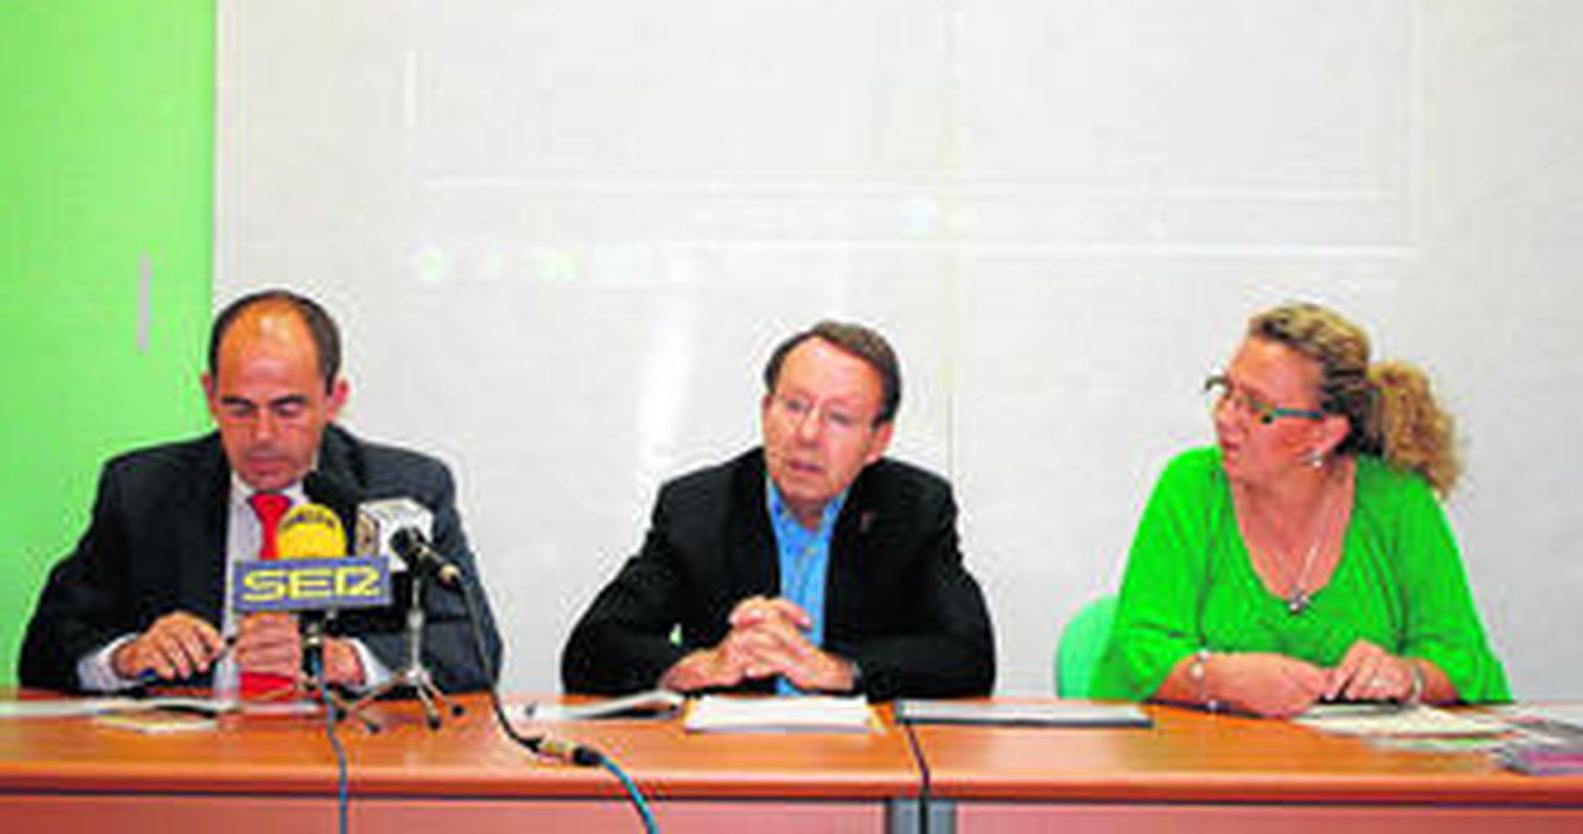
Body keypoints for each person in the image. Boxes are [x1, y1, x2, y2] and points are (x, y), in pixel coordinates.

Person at [19, 289, 502, 696]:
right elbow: (46, 648)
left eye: (288, 409)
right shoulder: (143, 490)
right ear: (209, 396)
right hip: (194, 764)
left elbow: (473, 648)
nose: (262, 435)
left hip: (346, 762)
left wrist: (342, 660)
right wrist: (127, 655)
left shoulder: (400, 490)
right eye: (239, 408)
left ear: (334, 400)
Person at [1091, 302, 1509, 717]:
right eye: (1225, 391)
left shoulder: (1397, 499)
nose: (1225, 418)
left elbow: (1463, 660)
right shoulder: (1192, 486)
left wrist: (1408, 676)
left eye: (1257, 408)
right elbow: (1136, 650)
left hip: (1362, 776)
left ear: (1324, 434)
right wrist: (1221, 678)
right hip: (1212, 772)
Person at [562, 321, 995, 700]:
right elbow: (591, 649)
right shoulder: (699, 508)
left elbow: (969, 656)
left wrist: (839, 669)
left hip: (864, 764)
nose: (807, 434)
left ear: (878, 441)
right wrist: (706, 664)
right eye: (794, 406)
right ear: (766, 410)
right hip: (731, 765)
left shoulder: (913, 508)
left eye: (839, 418)